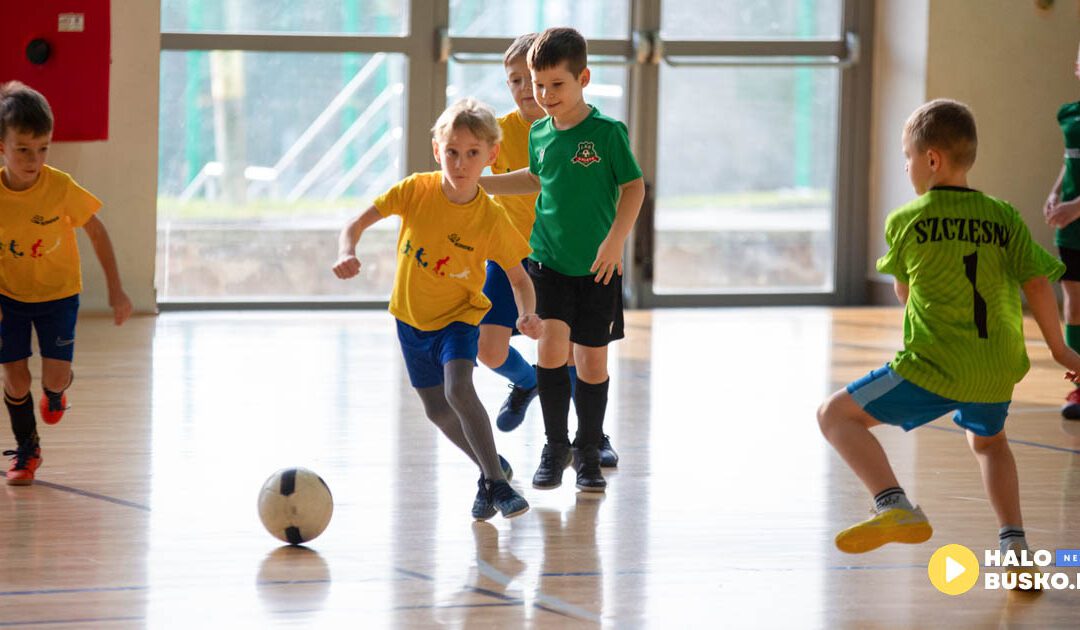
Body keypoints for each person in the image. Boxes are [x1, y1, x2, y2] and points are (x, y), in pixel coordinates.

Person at [817, 99, 1080, 588]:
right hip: (997, 366)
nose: (906, 167)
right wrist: (1063, 351)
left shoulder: (908, 220)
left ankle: (893, 505)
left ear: (932, 159)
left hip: (936, 363)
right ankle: (1014, 545)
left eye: (907, 157)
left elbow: (903, 290)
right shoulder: (1003, 215)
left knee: (834, 416)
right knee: (989, 442)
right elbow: (1038, 284)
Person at [332, 97, 540, 520]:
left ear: (491, 156)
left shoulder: (491, 218)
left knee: (458, 389)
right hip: (410, 319)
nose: (460, 164)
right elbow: (354, 224)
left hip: (460, 318)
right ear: (436, 151)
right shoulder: (416, 190)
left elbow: (519, 278)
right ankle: (491, 468)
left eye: (472, 154)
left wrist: (527, 313)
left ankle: (497, 486)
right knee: (437, 410)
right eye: (452, 152)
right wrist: (347, 251)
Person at [481, 27, 645, 492]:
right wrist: (481, 183)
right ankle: (556, 449)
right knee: (551, 352)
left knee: (591, 365)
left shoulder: (608, 133)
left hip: (597, 270)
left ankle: (589, 452)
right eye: (538, 85)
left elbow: (634, 188)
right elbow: (534, 179)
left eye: (557, 85)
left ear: (583, 79)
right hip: (547, 263)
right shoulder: (538, 133)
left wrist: (615, 241)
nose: (546, 95)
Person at [0, 81, 132, 485]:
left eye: (43, 149)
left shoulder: (60, 187)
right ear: (1, 146)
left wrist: (116, 288)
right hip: (9, 296)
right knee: (15, 378)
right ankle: (28, 448)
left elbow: (96, 230)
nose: (34, 159)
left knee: (52, 377)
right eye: (23, 149)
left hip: (58, 296)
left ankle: (56, 393)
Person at [1043, 41, 1080, 420]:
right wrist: (1056, 193)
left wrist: (1077, 206)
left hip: (1076, 215)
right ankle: (1079, 387)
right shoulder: (1068, 115)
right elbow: (1068, 162)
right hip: (1071, 229)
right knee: (1074, 305)